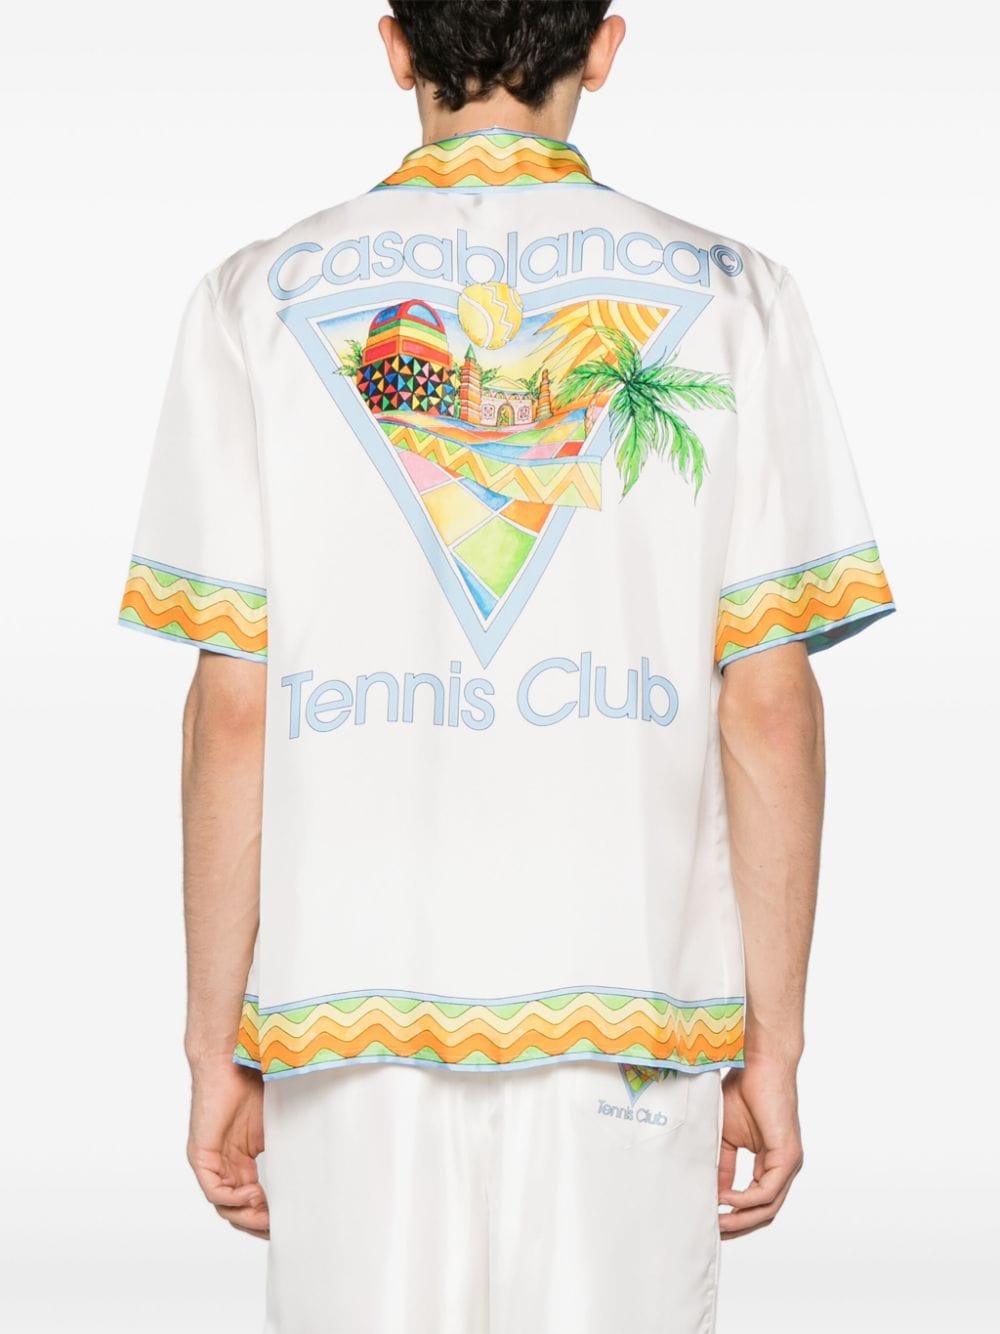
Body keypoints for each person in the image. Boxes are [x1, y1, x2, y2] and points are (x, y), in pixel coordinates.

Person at [118, 3, 895, 1330]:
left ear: (393, 47)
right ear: (603, 47)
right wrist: (775, 1040)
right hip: (633, 1014)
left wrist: (213, 1043)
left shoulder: (256, 298)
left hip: (342, 1015)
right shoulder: (734, 296)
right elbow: (769, 707)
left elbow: (233, 710)